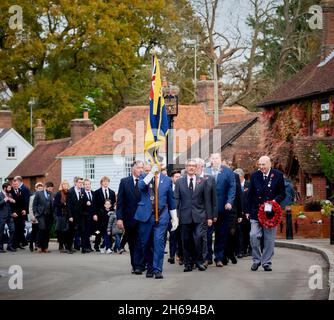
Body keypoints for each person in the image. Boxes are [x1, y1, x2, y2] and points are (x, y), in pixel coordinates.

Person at [134, 164, 178, 279]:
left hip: (162, 215)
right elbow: (142, 187)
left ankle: (157, 269)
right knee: (146, 243)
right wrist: (150, 174)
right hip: (146, 216)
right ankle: (149, 266)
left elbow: (171, 199)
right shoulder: (143, 176)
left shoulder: (167, 180)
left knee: (158, 242)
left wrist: (174, 217)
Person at [247, 156, 286, 271]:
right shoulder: (255, 175)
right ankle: (256, 260)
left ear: (269, 164)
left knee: (269, 239)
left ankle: (266, 262)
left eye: (263, 164)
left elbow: (282, 193)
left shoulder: (277, 175)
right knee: (253, 236)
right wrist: (247, 211)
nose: (261, 167)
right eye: (260, 164)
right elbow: (250, 195)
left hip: (270, 212)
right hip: (256, 211)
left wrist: (274, 201)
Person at [174, 159, 213, 272]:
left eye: (193, 166)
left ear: (196, 168)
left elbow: (207, 200)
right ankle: (187, 263)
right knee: (186, 241)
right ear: (186, 168)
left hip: (199, 215)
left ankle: (199, 261)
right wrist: (175, 215)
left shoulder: (202, 181)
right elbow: (177, 199)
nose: (191, 168)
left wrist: (209, 217)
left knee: (198, 239)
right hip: (184, 215)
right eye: (189, 166)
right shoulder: (180, 182)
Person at [116, 160, 144, 272]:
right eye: (138, 168)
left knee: (141, 241)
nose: (141, 170)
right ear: (133, 169)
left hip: (143, 218)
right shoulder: (124, 182)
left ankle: (141, 265)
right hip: (129, 218)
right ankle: (135, 264)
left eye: (142, 168)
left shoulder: (145, 181)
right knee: (132, 242)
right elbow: (120, 202)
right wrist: (119, 218)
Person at [207, 160, 236, 267]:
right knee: (207, 234)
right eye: (213, 159)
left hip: (223, 208)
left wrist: (229, 201)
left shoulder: (227, 172)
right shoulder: (206, 171)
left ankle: (218, 257)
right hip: (208, 209)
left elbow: (232, 187)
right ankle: (208, 256)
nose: (215, 161)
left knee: (221, 233)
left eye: (217, 159)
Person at [196, 158, 217, 266]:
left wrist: (214, 215)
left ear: (202, 167)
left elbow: (214, 198)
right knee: (198, 236)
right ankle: (199, 258)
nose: (195, 168)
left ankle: (207, 257)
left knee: (207, 236)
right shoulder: (191, 178)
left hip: (207, 213)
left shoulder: (210, 178)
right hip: (195, 213)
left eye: (197, 166)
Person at [94, 176, 116, 252]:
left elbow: (113, 205)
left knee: (108, 231)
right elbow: (94, 204)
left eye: (107, 181)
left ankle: (105, 245)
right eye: (104, 181)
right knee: (98, 231)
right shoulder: (97, 192)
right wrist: (95, 214)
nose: (106, 183)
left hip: (109, 216)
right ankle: (96, 245)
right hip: (100, 215)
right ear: (101, 183)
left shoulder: (112, 192)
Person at [33, 182, 55, 253]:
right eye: (49, 188)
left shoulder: (52, 194)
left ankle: (45, 247)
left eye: (51, 188)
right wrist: (36, 213)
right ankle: (39, 245)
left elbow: (53, 205)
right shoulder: (39, 193)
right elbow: (34, 204)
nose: (50, 189)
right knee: (42, 229)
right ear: (45, 187)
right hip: (41, 214)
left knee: (47, 231)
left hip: (50, 215)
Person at [234, 168, 251, 258]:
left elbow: (251, 198)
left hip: (247, 212)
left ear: (242, 176)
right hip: (238, 213)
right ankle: (240, 250)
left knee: (247, 231)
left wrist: (249, 211)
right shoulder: (234, 185)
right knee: (239, 232)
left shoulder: (249, 184)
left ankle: (249, 249)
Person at [11, 176, 30, 249]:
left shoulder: (20, 190)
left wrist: (25, 210)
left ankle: (18, 243)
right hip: (14, 213)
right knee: (15, 229)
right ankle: (14, 244)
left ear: (18, 184)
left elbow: (24, 202)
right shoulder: (10, 192)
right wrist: (13, 212)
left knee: (21, 228)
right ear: (12, 185)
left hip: (21, 213)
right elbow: (11, 204)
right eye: (14, 184)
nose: (15, 185)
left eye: (17, 184)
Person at [167, 169, 182, 264]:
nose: (178, 178)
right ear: (172, 178)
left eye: (180, 177)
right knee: (172, 236)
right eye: (176, 177)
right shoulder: (168, 187)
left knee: (180, 237)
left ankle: (180, 255)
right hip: (169, 216)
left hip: (181, 215)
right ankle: (172, 256)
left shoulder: (182, 186)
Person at [66, 177, 85, 253]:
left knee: (83, 231)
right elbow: (68, 205)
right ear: (75, 183)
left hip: (81, 215)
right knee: (71, 232)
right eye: (79, 182)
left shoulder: (83, 191)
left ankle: (83, 248)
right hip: (73, 215)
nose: (81, 184)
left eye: (81, 182)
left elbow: (83, 202)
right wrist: (70, 216)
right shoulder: (70, 191)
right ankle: (69, 247)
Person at [54, 180, 71, 253]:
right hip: (60, 214)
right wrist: (63, 204)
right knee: (60, 230)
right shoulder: (58, 193)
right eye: (64, 184)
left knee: (67, 230)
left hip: (68, 214)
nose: (65, 186)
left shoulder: (70, 193)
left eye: (66, 184)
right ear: (62, 185)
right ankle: (61, 244)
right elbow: (55, 204)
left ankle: (66, 244)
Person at [0, 182, 16, 252]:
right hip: (1, 216)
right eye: (9, 188)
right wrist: (4, 200)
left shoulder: (10, 194)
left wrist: (13, 201)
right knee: (0, 232)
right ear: (4, 188)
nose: (10, 189)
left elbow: (12, 204)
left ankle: (9, 246)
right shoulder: (0, 194)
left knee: (13, 230)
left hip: (10, 215)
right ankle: (0, 247)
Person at [28, 182, 44, 252]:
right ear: (36, 189)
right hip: (35, 217)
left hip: (42, 217)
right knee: (34, 231)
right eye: (39, 189)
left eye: (41, 188)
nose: (40, 190)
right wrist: (32, 217)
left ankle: (37, 245)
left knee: (40, 231)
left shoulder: (44, 196)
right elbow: (30, 208)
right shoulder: (32, 197)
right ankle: (31, 243)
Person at [80, 179, 95, 253]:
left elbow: (95, 204)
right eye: (86, 184)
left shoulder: (93, 193)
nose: (87, 185)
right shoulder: (81, 193)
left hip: (91, 216)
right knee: (84, 232)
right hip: (84, 216)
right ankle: (84, 247)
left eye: (88, 184)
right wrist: (85, 203)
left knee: (89, 232)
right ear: (83, 185)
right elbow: (79, 204)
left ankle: (88, 246)